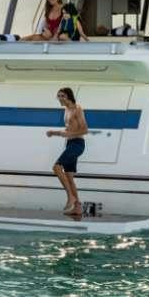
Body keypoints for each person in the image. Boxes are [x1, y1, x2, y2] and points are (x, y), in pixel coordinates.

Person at [45, 85, 88, 217]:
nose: (60, 98)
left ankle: (71, 197)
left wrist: (68, 134)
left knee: (57, 167)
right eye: (58, 96)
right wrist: (55, 133)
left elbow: (84, 130)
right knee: (69, 176)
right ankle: (77, 207)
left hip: (78, 144)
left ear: (69, 96)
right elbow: (68, 131)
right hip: (70, 144)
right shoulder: (66, 110)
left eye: (62, 96)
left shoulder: (77, 109)